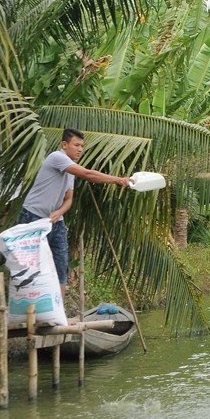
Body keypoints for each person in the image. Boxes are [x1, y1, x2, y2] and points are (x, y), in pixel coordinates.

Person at [18, 128, 133, 299]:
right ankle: (27, 306)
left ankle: (59, 309)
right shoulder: (57, 158)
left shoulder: (70, 171)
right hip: (33, 217)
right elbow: (87, 174)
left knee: (61, 264)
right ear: (64, 145)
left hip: (56, 221)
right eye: (76, 145)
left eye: (82, 146)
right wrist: (118, 180)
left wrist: (58, 212)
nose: (80, 149)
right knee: (30, 266)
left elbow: (69, 200)